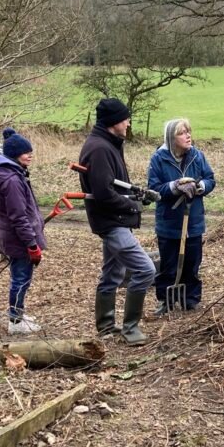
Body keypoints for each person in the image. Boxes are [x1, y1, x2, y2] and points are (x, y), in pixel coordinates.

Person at [78, 97, 156, 344]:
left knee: (112, 273)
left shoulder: (109, 143)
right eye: (126, 119)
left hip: (115, 219)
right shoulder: (100, 149)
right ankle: (130, 328)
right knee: (145, 270)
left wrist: (136, 196)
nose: (128, 123)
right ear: (114, 122)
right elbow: (103, 194)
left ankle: (105, 327)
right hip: (112, 222)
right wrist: (132, 205)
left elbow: (113, 185)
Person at [147, 118, 216, 314]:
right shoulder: (158, 159)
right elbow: (154, 189)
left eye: (188, 131)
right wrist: (175, 187)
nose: (188, 136)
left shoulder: (197, 156)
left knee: (192, 262)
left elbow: (210, 179)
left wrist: (200, 187)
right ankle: (165, 300)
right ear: (171, 138)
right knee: (169, 264)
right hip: (169, 221)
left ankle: (191, 299)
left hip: (192, 220)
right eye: (182, 133)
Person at [0, 128, 46, 334]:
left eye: (30, 151)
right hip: (18, 238)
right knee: (21, 278)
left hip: (14, 236)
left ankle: (17, 313)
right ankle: (15, 322)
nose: (29, 155)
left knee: (19, 276)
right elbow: (19, 216)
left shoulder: (12, 173)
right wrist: (31, 244)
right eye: (25, 152)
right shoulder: (12, 180)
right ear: (14, 155)